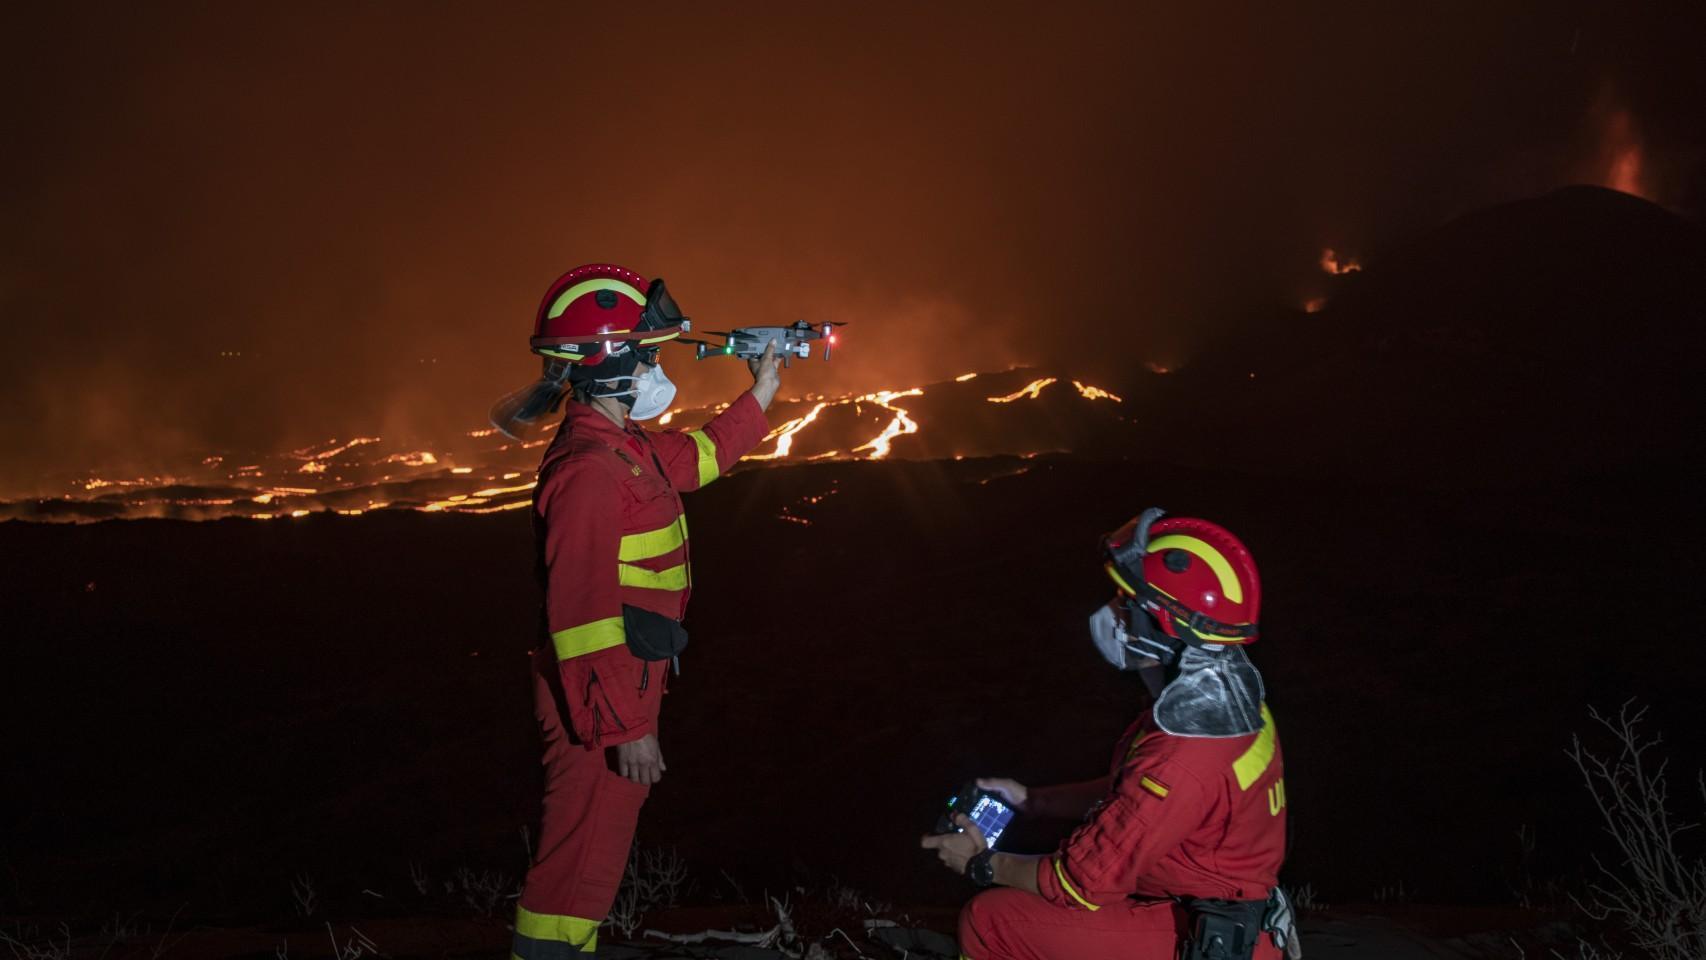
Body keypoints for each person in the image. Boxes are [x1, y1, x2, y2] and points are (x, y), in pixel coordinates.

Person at [493, 263, 781, 958]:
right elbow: (581, 616)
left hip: (623, 685)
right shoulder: (586, 471)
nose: (656, 368)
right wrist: (626, 729)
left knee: (600, 845)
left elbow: (699, 460)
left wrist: (763, 391)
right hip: (600, 698)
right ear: (609, 360)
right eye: (647, 355)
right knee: (582, 848)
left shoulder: (626, 445)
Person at [922, 508, 1298, 960]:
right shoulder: (1218, 703)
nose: (1112, 612)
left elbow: (1079, 883)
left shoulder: (1182, 752)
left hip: (1206, 935)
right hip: (1220, 912)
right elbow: (1133, 795)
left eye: (1125, 601)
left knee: (992, 922)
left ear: (1160, 625)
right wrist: (1034, 801)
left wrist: (980, 863)